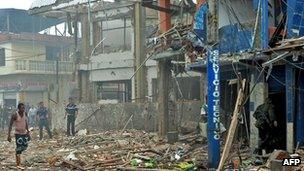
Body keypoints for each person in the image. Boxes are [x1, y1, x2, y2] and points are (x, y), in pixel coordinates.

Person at [7, 103, 30, 167]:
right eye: (22, 108)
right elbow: (10, 125)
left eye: (24, 108)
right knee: (19, 148)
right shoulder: (15, 115)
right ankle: (18, 163)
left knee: (25, 146)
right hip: (18, 134)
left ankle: (17, 151)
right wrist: (9, 135)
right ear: (19, 108)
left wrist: (28, 132)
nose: (23, 109)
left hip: (24, 133)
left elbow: (26, 123)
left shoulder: (25, 113)